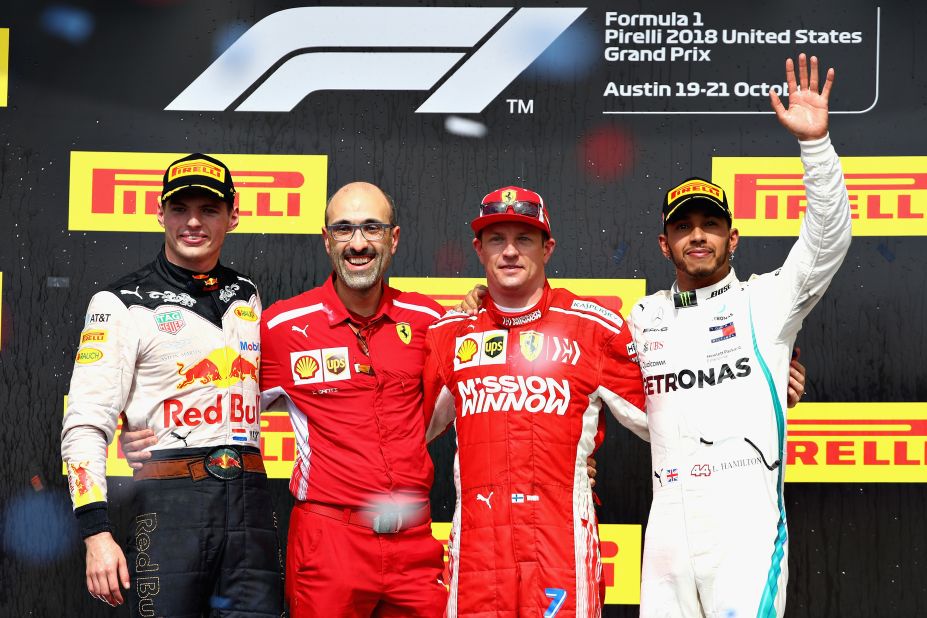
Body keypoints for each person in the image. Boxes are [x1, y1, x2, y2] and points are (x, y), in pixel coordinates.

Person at [632, 54, 851, 618]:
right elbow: (581, 366)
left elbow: (825, 242)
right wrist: (484, 302)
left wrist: (816, 146)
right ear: (665, 244)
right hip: (666, 539)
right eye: (683, 227)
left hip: (744, 533)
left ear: (735, 238)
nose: (697, 237)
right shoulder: (642, 317)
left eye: (710, 226)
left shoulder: (766, 301)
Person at [61, 153, 283, 617]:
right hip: (169, 507)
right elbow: (84, 423)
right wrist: (96, 533)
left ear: (233, 214)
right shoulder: (120, 302)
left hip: (250, 507)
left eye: (209, 209)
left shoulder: (247, 294)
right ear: (160, 213)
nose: (193, 223)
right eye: (180, 209)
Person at [422, 185, 650, 617]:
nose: (510, 252)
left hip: (559, 550)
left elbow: (671, 413)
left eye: (524, 238)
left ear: (548, 247)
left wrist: (761, 382)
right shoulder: (449, 333)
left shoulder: (594, 328)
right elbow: (399, 429)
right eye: (496, 239)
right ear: (478, 249)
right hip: (476, 555)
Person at [258, 182, 448, 617]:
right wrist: (147, 426)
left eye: (371, 228)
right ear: (326, 240)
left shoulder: (431, 320)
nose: (358, 244)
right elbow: (225, 408)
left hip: (414, 541)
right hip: (330, 541)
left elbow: (488, 390)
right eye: (343, 230)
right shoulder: (282, 326)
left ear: (393, 239)